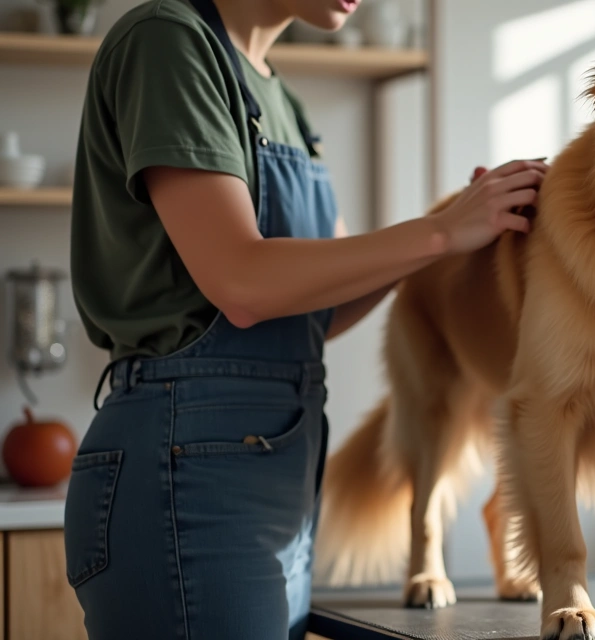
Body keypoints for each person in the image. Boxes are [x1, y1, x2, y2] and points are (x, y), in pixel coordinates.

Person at [62, 0, 546, 637]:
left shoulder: (280, 101)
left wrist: (454, 244)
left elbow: (320, 310)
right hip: (185, 463)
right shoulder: (168, 42)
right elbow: (241, 281)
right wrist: (437, 232)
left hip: (279, 469)